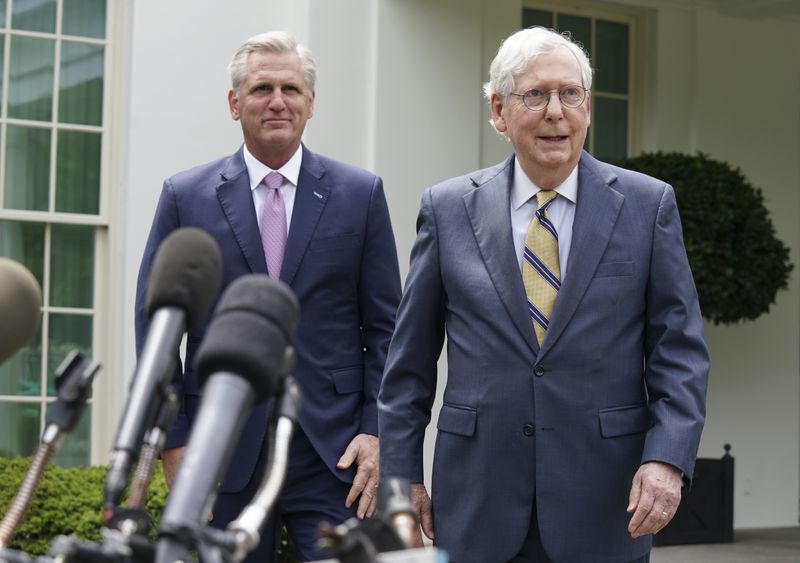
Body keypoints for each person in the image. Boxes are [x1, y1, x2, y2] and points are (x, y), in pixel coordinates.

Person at [378, 26, 709, 563]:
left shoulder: (648, 207)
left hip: (605, 502)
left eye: (570, 93)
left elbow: (680, 353)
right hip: (476, 503)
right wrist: (400, 482)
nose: (556, 111)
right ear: (498, 110)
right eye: (534, 95)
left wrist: (667, 459)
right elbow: (407, 368)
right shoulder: (447, 210)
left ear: (587, 105)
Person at [135, 31, 402, 562]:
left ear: (310, 102)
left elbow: (389, 330)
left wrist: (376, 433)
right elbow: (158, 332)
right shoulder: (184, 197)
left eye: (290, 88)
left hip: (336, 454)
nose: (277, 101)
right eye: (261, 89)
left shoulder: (360, 194)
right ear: (235, 103)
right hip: (220, 450)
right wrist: (174, 440)